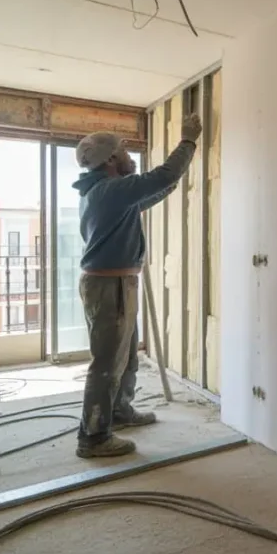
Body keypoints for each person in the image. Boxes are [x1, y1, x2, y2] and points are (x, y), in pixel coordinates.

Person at [71, 112, 202, 458]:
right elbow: (162, 176)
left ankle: (118, 410)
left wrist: (170, 182)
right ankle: (93, 437)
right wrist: (188, 141)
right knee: (106, 363)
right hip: (108, 287)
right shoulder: (110, 190)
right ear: (112, 160)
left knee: (126, 356)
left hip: (115, 284)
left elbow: (152, 192)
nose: (130, 158)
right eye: (126, 153)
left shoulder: (104, 192)